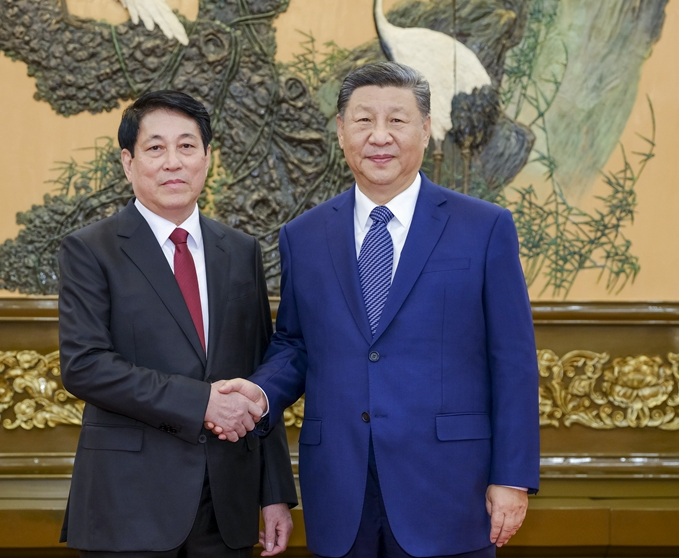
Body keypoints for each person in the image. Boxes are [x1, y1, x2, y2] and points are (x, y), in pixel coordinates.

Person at [211, 62, 540, 558]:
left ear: (425, 130)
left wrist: (512, 477)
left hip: (451, 488)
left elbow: (513, 360)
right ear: (341, 131)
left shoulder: (484, 227)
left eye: (397, 120)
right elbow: (296, 345)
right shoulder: (304, 235)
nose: (379, 136)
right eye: (364, 120)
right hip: (341, 488)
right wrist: (258, 394)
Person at [58, 90, 297, 558]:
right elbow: (85, 366)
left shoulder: (240, 250)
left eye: (187, 146)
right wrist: (201, 402)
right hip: (128, 504)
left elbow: (259, 373)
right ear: (128, 163)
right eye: (155, 148)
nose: (173, 162)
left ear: (207, 158)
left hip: (226, 506)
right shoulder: (90, 250)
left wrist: (274, 494)